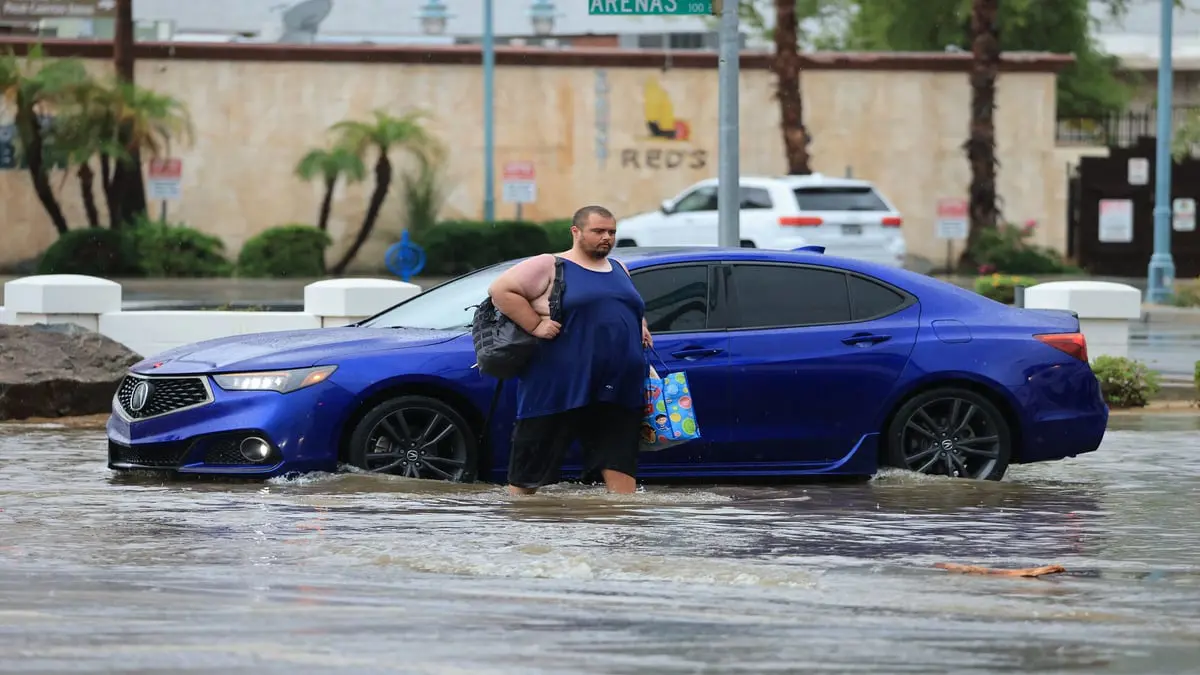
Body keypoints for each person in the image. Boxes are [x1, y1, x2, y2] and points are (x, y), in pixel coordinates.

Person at [487, 205, 652, 496]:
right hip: (559, 386)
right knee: (530, 472)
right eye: (598, 231)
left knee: (620, 469)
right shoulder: (550, 264)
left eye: (611, 232)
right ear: (576, 232)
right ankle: (522, 531)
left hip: (617, 388)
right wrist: (535, 325)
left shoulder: (620, 268)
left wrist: (640, 325)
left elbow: (625, 305)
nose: (607, 238)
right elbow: (501, 290)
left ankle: (621, 528)